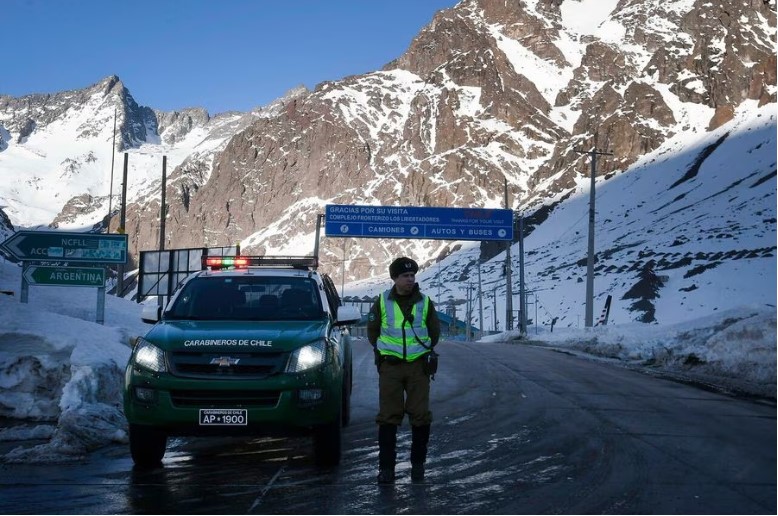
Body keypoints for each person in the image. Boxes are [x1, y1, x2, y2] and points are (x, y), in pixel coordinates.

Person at [367, 256, 441, 484]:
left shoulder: (425, 303)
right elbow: (373, 331)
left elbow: (434, 332)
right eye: (405, 276)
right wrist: (385, 353)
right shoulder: (381, 302)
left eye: (412, 276)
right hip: (390, 367)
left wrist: (422, 352)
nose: (410, 280)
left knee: (420, 416)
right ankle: (386, 469)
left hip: (418, 367)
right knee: (388, 417)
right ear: (394, 278)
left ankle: (418, 467)